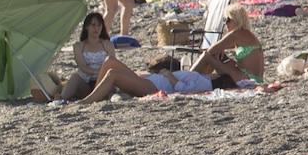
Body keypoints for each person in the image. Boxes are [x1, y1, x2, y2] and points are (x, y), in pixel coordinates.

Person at [78, 54, 212, 104]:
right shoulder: (202, 77)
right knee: (110, 61)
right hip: (150, 80)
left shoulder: (205, 83)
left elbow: (184, 90)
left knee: (113, 73)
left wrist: (169, 75)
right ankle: (95, 95)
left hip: (152, 88)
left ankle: (86, 101)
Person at [191, 4, 265, 86]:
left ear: (236, 20)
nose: (225, 23)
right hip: (256, 79)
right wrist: (220, 50)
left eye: (227, 20)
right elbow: (218, 48)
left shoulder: (235, 34)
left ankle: (187, 76)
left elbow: (211, 50)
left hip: (246, 79)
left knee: (207, 55)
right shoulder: (247, 34)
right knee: (217, 56)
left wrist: (218, 50)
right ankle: (196, 77)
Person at [59, 11, 115, 101]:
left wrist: (100, 74)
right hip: (85, 82)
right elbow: (82, 66)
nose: (96, 28)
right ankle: (60, 99)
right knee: (75, 77)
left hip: (103, 80)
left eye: (99, 25)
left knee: (111, 80)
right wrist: (96, 72)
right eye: (93, 25)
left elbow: (112, 63)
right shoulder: (78, 46)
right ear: (86, 27)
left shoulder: (108, 44)